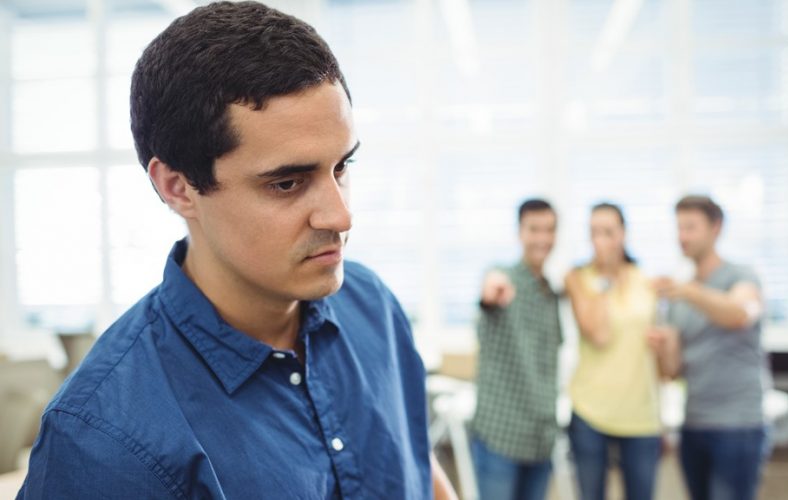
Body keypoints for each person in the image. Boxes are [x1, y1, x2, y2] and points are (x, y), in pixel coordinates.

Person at [17, 3, 456, 499]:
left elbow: (418, 471)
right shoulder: (100, 439)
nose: (341, 217)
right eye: (288, 183)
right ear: (179, 188)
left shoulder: (370, 304)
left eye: (342, 168)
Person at [650, 195, 769, 500]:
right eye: (679, 228)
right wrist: (663, 348)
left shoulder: (741, 277)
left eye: (691, 227)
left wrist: (689, 291)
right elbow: (672, 372)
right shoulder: (681, 295)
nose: (682, 236)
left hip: (737, 426)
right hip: (693, 425)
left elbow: (739, 313)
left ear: (716, 228)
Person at [564, 202, 663, 500]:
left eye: (607, 232)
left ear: (624, 234)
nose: (600, 240)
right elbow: (599, 334)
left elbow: (662, 351)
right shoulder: (578, 278)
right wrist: (605, 278)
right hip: (590, 412)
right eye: (593, 233)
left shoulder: (646, 281)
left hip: (641, 415)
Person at [471, 199, 562, 500]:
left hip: (540, 439)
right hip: (502, 437)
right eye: (534, 229)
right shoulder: (503, 277)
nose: (542, 238)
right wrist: (491, 291)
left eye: (549, 230)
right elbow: (490, 290)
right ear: (519, 232)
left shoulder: (550, 292)